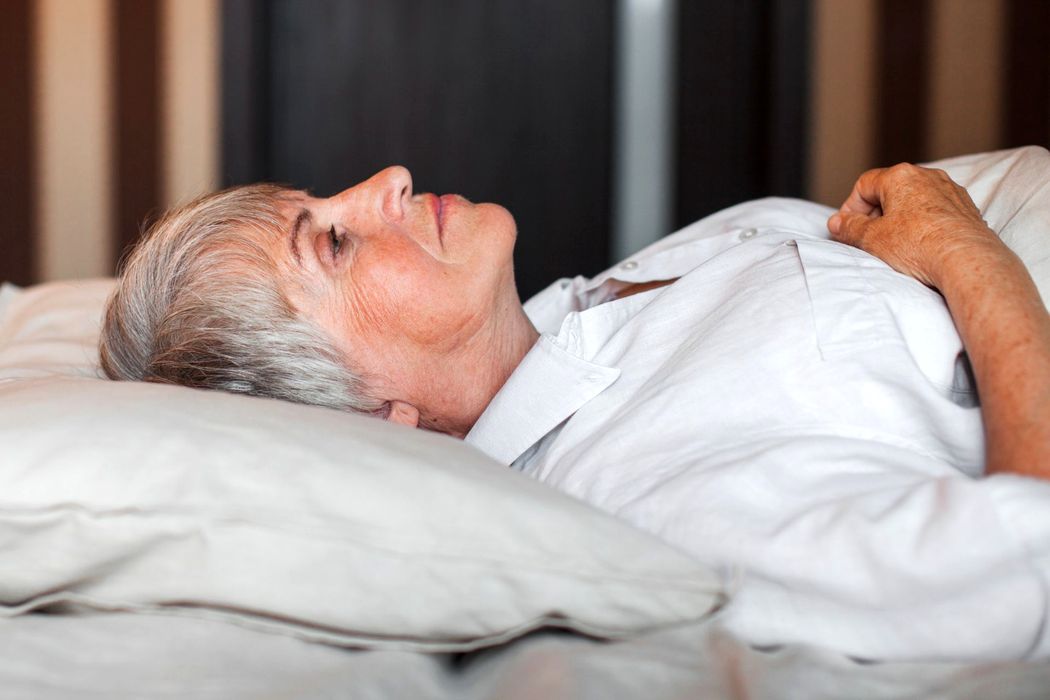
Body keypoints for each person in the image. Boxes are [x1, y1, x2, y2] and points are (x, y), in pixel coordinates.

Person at [100, 163, 1050, 480]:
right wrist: (962, 252)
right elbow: (1025, 569)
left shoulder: (576, 312)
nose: (387, 178)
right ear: (371, 413)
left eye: (326, 199)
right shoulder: (662, 477)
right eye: (335, 245)